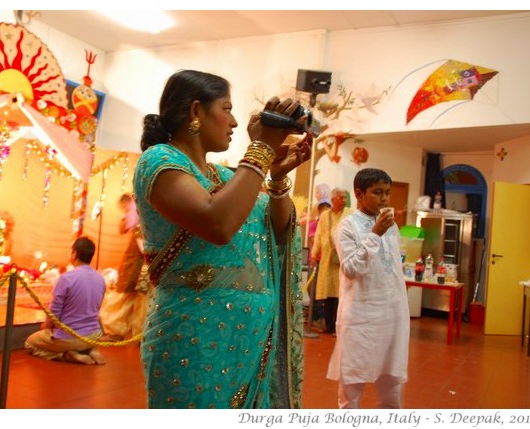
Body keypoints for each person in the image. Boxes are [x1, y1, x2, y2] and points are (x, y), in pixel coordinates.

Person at [133, 69, 312, 408]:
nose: (233, 122)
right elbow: (218, 223)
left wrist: (275, 179)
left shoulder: (226, 175)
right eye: (227, 108)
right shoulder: (159, 160)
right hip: (193, 338)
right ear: (196, 112)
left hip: (249, 339)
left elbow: (276, 231)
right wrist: (260, 149)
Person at [326, 168, 410, 408]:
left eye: (387, 193)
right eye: (377, 192)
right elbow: (351, 269)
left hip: (392, 315)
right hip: (361, 317)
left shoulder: (391, 226)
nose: (384, 199)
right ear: (359, 194)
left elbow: (392, 268)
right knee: (352, 389)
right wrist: (375, 234)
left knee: (392, 387)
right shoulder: (346, 227)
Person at [25, 236, 107, 365]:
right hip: (94, 335)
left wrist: (46, 326)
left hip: (69, 337)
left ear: (75, 254)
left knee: (30, 343)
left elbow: (54, 313)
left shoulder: (66, 278)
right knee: (81, 341)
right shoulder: (100, 279)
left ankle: (64, 354)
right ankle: (90, 350)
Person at [99, 193, 152, 341]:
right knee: (136, 295)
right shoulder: (139, 212)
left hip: (140, 260)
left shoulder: (142, 213)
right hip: (141, 259)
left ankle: (117, 331)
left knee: (130, 295)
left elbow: (132, 234)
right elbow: (122, 229)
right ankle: (138, 333)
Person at [310, 187, 352, 334]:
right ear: (334, 199)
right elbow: (319, 236)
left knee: (341, 294)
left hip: (343, 259)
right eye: (342, 197)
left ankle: (338, 327)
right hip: (328, 259)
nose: (344, 200)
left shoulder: (350, 214)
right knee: (328, 294)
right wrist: (314, 254)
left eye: (345, 198)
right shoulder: (325, 215)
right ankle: (328, 326)